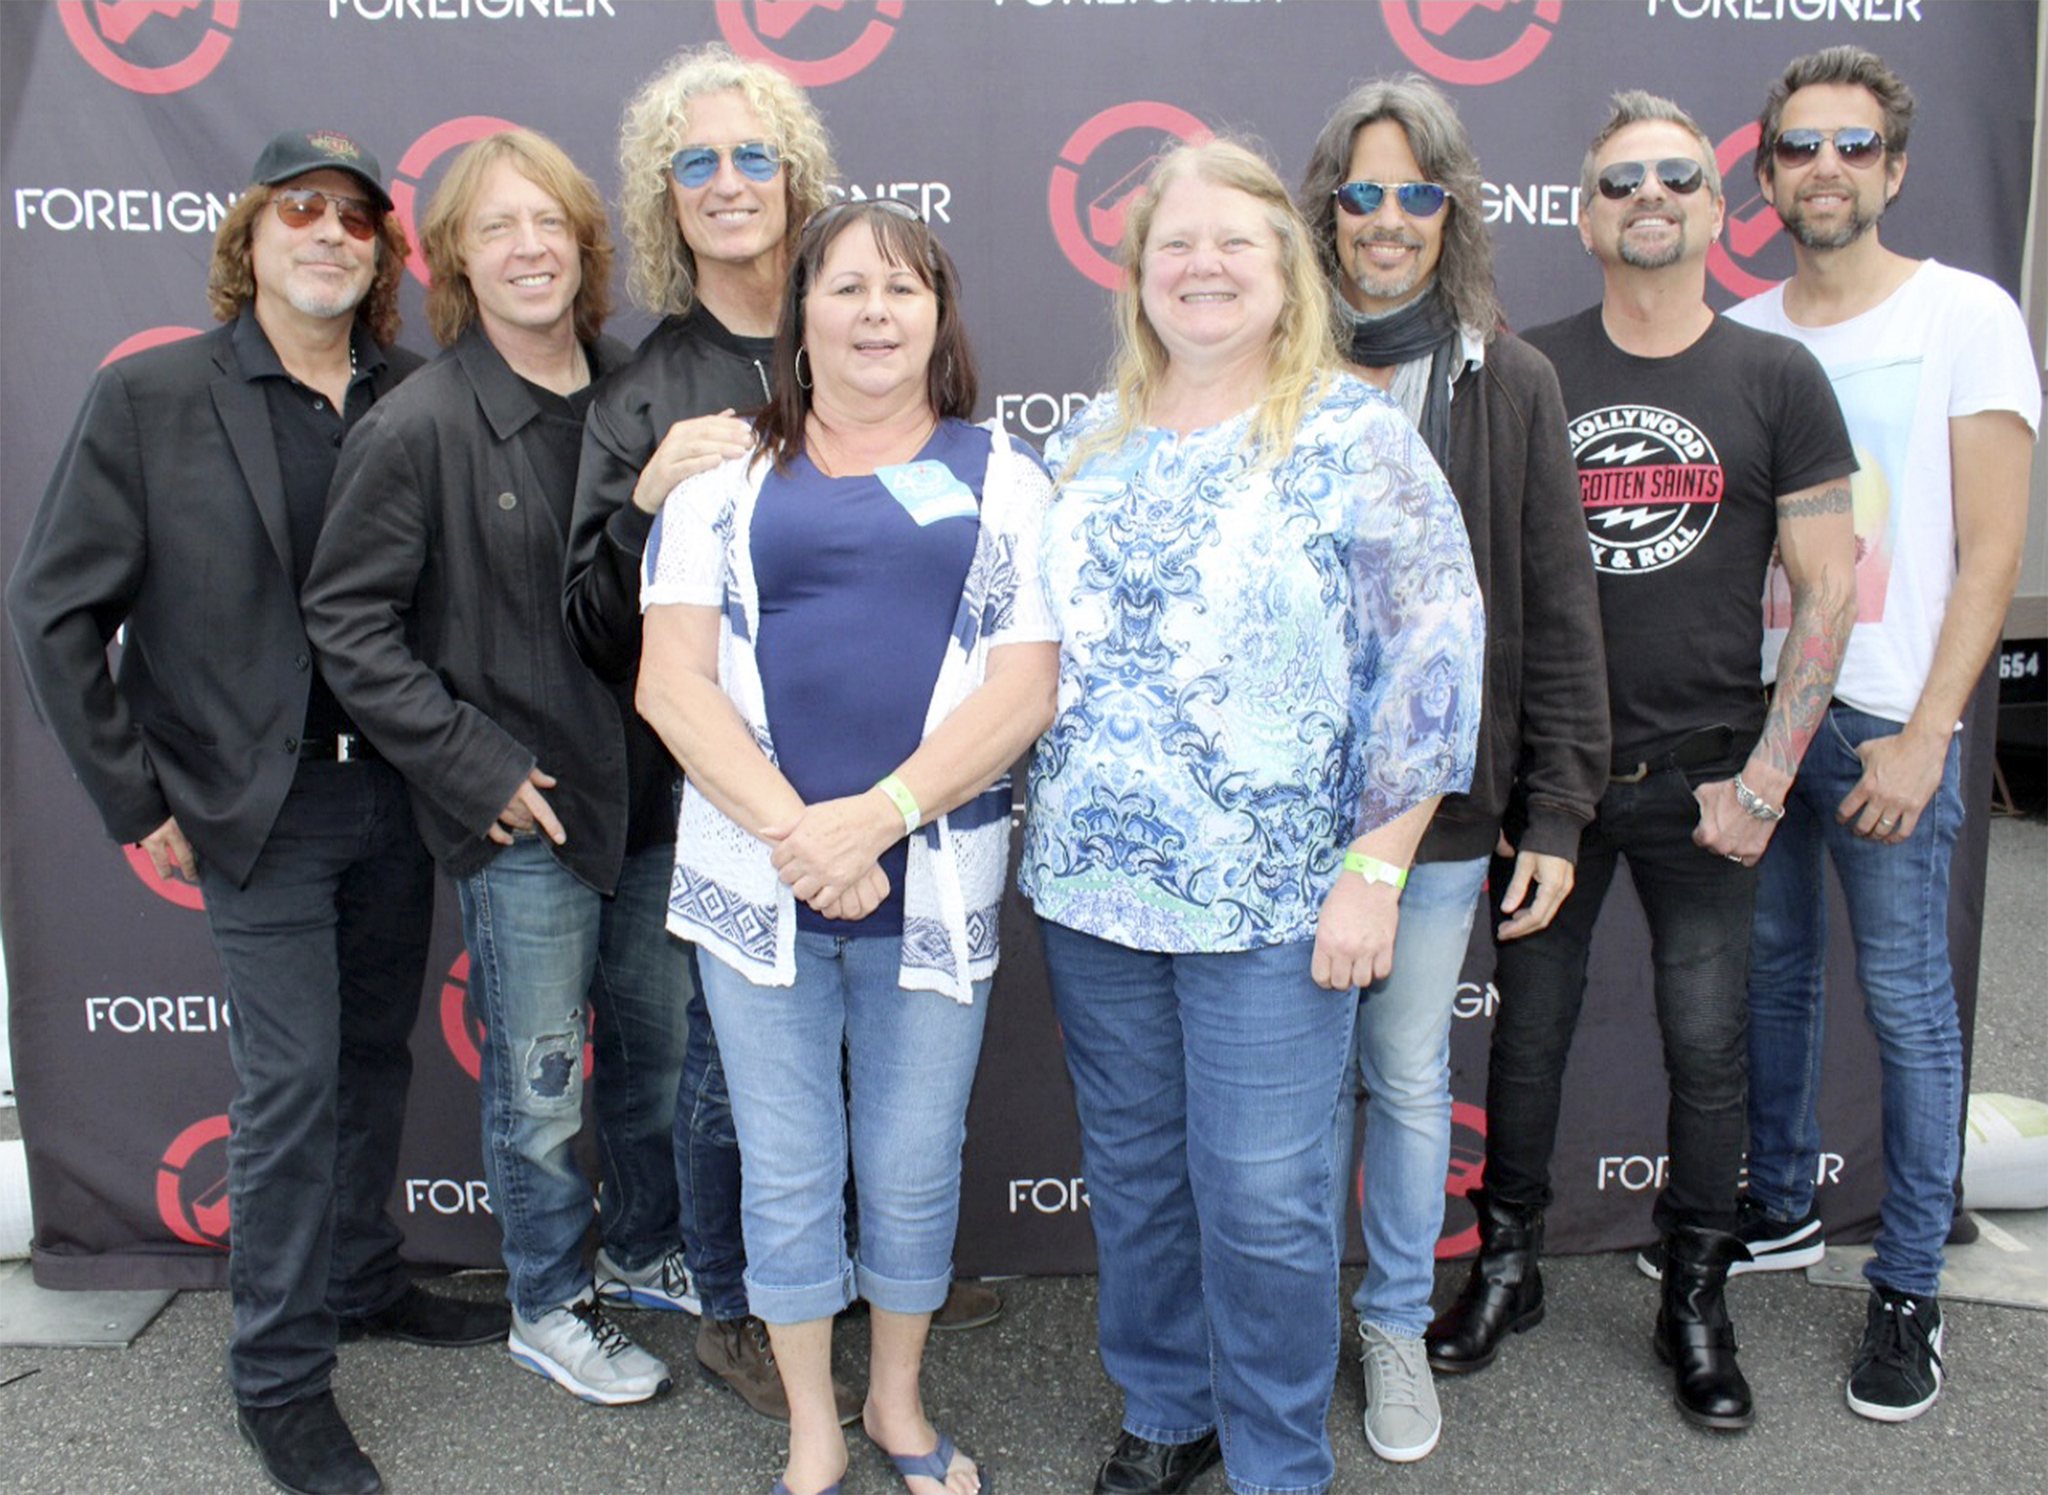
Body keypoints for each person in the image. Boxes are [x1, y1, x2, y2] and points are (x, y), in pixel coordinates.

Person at [7, 129, 505, 1495]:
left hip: (397, 794)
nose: (329, 231)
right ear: (251, 236)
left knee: (374, 1056)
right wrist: (133, 796)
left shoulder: (420, 392)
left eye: (356, 216)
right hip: (256, 810)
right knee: (291, 1086)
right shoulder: (152, 394)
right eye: (301, 208)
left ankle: (359, 1278)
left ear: (383, 252)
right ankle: (278, 1377)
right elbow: (53, 611)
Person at [1024, 139, 1483, 1495]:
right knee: (1137, 1175)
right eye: (1177, 242)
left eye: (1237, 242)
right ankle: (1170, 1407)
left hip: (1278, 897)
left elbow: (1433, 655)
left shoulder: (1353, 437)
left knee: (1269, 1200)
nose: (1204, 265)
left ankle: (1279, 1454)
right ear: (1137, 273)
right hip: (1092, 887)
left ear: (1288, 273)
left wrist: (1375, 872)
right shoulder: (1082, 446)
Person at [1425, 92, 1859, 1433]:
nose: (1649, 197)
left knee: (1708, 1047)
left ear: (1718, 207)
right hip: (1552, 785)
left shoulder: (1776, 377)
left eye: (1676, 175)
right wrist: (1509, 777)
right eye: (1620, 182)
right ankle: (1508, 1266)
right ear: (1583, 214)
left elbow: (1827, 586)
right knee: (1528, 1036)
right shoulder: (1526, 368)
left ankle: (1697, 1298)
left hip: (1707, 777)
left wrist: (1768, 777)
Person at [637, 198, 1054, 1495]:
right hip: (760, 884)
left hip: (924, 885)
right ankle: (812, 1424)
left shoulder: (1005, 477)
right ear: (801, 315)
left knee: (915, 1165)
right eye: (847, 287)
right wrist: (798, 834)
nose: (876, 311)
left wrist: (874, 819)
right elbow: (669, 681)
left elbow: (1025, 685)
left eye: (903, 288)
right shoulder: (720, 481)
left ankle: (896, 1402)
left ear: (939, 318)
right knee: (787, 1166)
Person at [302, 129, 687, 1407]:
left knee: (657, 1060)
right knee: (540, 1086)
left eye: (549, 223)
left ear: (586, 244)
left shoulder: (640, 390)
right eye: (495, 227)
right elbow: (348, 622)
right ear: (455, 260)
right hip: (522, 817)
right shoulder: (417, 423)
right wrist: (474, 766)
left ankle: (641, 1248)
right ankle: (547, 1300)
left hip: (658, 797)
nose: (529, 249)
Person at [1721, 45, 2039, 1423]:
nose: (1826, 167)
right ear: (1767, 174)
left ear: (1893, 169)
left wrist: (1927, 732)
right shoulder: (1742, 328)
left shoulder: (1964, 313)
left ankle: (1908, 1281)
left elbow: (1989, 549)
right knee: (1774, 978)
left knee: (1906, 1004)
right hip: (1763, 722)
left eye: (1853, 145)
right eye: (1800, 146)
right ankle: (1781, 1204)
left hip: (1888, 718)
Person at [1297, 77, 1609, 1465]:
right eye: (1361, 194)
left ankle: (1389, 1319)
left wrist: (1558, 806)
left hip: (1436, 814)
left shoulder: (1509, 380)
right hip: (1277, 808)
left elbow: (1556, 606)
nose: (1386, 220)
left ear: (1451, 212)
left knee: (1406, 1073)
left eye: (1414, 194)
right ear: (1324, 212)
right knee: (1294, 1088)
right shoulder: (1265, 366)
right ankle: (1289, 1322)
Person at [562, 41, 874, 1423]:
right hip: (719, 796)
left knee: (870, 1037)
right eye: (698, 161)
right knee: (725, 1065)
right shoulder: (646, 387)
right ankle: (735, 1304)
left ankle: (862, 1271)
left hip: (876, 779)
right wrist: (642, 502)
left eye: (754, 154)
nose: (729, 180)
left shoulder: (868, 326)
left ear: (797, 175)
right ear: (666, 196)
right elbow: (590, 623)